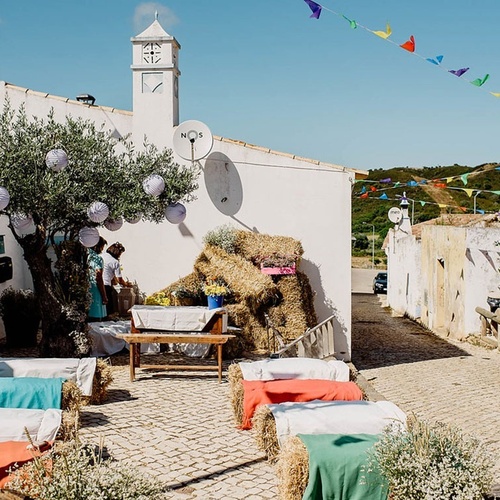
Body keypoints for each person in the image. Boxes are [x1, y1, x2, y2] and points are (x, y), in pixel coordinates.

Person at [102, 242, 132, 316]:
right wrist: (127, 284)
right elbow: (120, 280)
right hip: (106, 285)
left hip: (95, 283)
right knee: (108, 307)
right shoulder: (114, 262)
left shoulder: (101, 256)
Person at [87, 237, 108, 321]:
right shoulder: (97, 258)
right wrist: (104, 296)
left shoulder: (84, 256)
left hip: (85, 288)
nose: (102, 249)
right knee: (96, 320)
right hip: (95, 290)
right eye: (102, 246)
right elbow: (98, 277)